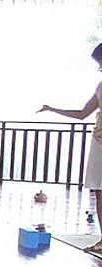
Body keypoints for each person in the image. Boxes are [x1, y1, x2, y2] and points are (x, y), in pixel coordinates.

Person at [39, 42, 102, 252]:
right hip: (99, 142)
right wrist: (52, 109)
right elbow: (82, 113)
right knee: (99, 191)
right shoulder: (100, 87)